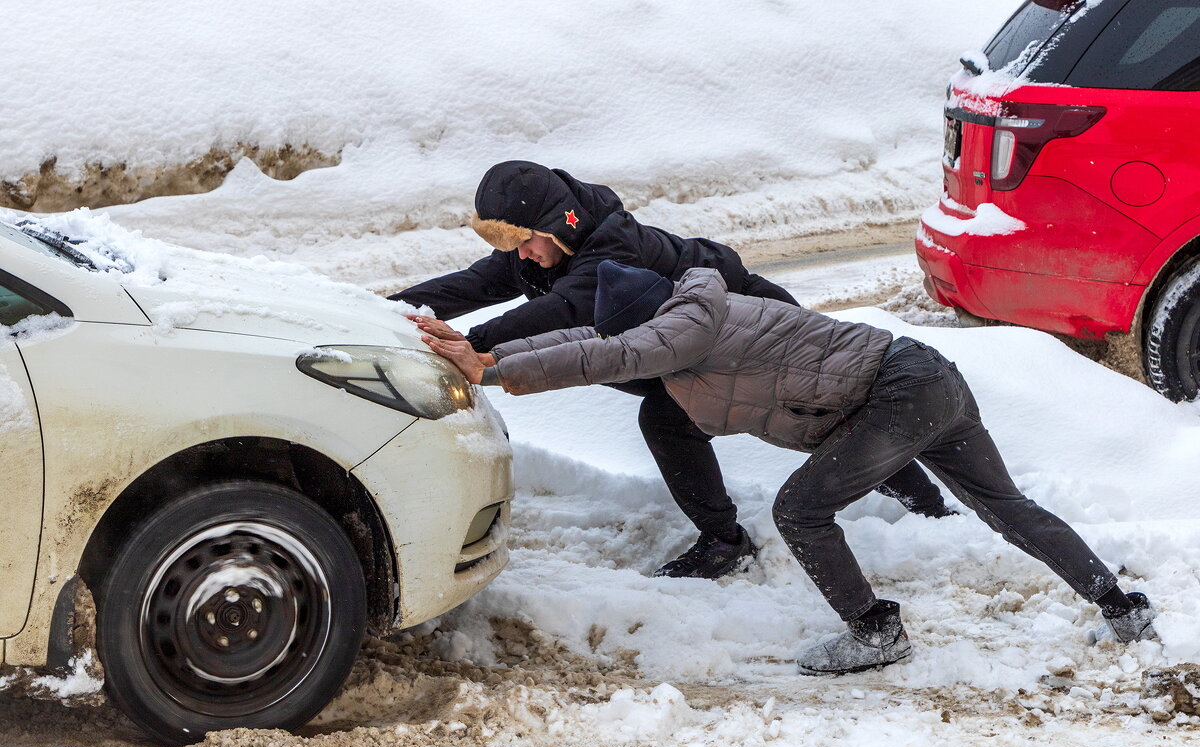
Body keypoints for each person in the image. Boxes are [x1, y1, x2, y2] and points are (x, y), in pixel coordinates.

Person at [421, 260, 1158, 675]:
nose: (643, 346)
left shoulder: (686, 324)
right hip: (926, 380)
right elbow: (597, 336)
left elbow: (611, 352)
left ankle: (875, 632)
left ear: (656, 323)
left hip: (896, 394)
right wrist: (486, 355)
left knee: (799, 511)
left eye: (643, 336)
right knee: (1010, 510)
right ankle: (1121, 608)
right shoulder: (688, 309)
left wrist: (487, 372)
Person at [395, 160, 954, 579]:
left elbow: (568, 307)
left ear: (556, 223)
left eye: (524, 241)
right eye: (509, 245)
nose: (519, 256)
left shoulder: (610, 248)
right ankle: (741, 538)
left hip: (753, 333)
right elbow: (469, 284)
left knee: (823, 416)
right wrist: (391, 312)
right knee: (707, 420)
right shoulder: (544, 246)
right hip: (687, 356)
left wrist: (473, 345)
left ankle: (917, 514)